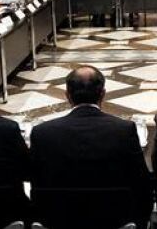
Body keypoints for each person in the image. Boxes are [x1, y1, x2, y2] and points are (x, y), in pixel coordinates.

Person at [29, 66, 150, 217]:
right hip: (114, 222)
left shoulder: (42, 133)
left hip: (59, 223)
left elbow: (36, 184)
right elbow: (141, 183)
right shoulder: (124, 130)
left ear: (67, 96)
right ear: (103, 94)